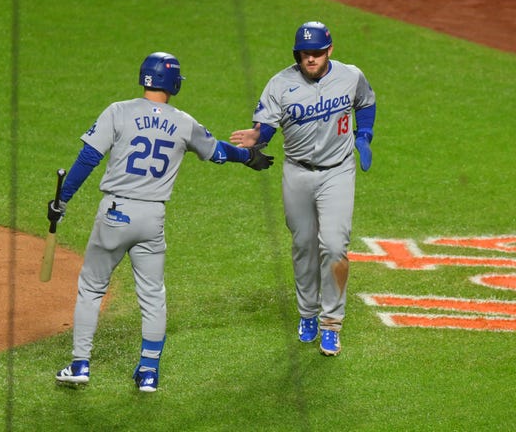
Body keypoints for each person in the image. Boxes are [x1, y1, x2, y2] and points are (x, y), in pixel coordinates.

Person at [50, 51, 273, 392]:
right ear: (174, 84)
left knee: (92, 288)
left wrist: (61, 200)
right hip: (152, 219)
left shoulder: (118, 111)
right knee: (153, 295)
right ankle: (149, 372)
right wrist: (249, 156)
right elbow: (218, 152)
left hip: (115, 213)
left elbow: (87, 159)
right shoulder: (184, 122)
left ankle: (80, 364)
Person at [230, 21, 376, 356]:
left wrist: (364, 136)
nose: (310, 59)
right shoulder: (280, 84)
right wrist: (257, 137)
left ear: (329, 50)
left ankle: (331, 324)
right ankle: (308, 314)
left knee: (335, 247)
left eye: (316, 53)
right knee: (304, 246)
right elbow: (265, 126)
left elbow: (366, 102)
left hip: (338, 172)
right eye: (304, 53)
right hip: (297, 173)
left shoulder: (351, 76)